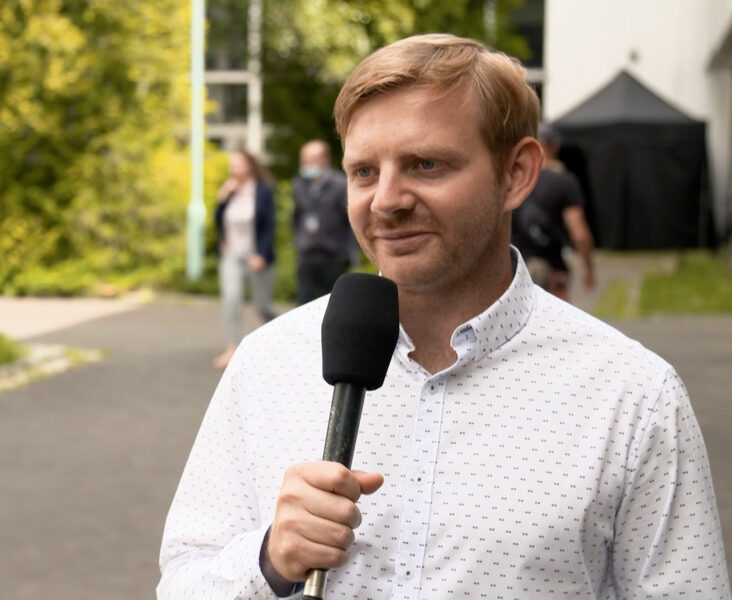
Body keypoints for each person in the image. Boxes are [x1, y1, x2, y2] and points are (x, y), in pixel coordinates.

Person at [159, 34, 730, 599]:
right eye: (363, 172)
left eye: (425, 164)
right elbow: (183, 583)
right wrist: (268, 560)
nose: (386, 200)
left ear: (517, 174)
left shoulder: (632, 395)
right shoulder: (269, 362)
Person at [511, 123, 596, 301]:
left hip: (515, 272)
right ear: (555, 145)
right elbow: (579, 234)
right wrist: (589, 269)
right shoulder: (564, 182)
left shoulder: (512, 178)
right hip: (553, 271)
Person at [212, 149, 277, 370]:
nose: (234, 167)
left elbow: (269, 225)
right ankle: (232, 348)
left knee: (263, 306)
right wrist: (222, 200)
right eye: (232, 163)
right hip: (232, 255)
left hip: (256, 256)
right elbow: (218, 221)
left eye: (238, 162)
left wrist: (262, 254)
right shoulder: (229, 190)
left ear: (250, 164)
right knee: (231, 300)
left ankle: (283, 340)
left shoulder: (262, 191)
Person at [292, 140, 357, 304]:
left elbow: (350, 218)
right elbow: (297, 215)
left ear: (325, 159)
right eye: (304, 160)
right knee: (304, 306)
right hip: (307, 255)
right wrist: (299, 241)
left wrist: (350, 250)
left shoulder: (340, 184)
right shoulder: (299, 184)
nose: (307, 164)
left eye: (312, 160)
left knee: (331, 305)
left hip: (334, 256)